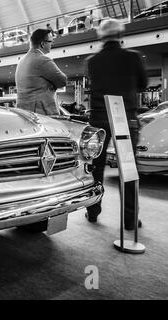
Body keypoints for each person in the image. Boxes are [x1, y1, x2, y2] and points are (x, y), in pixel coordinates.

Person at [85, 19, 147, 230]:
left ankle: (93, 211)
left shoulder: (92, 61)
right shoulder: (133, 58)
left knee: (96, 167)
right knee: (128, 169)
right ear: (120, 35)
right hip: (125, 118)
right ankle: (129, 219)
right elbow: (143, 84)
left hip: (99, 119)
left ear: (101, 36)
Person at [15, 29, 67, 115]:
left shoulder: (21, 61)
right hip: (41, 114)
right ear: (42, 44)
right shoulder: (42, 60)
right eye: (50, 41)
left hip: (23, 113)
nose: (52, 44)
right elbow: (62, 81)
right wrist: (52, 85)